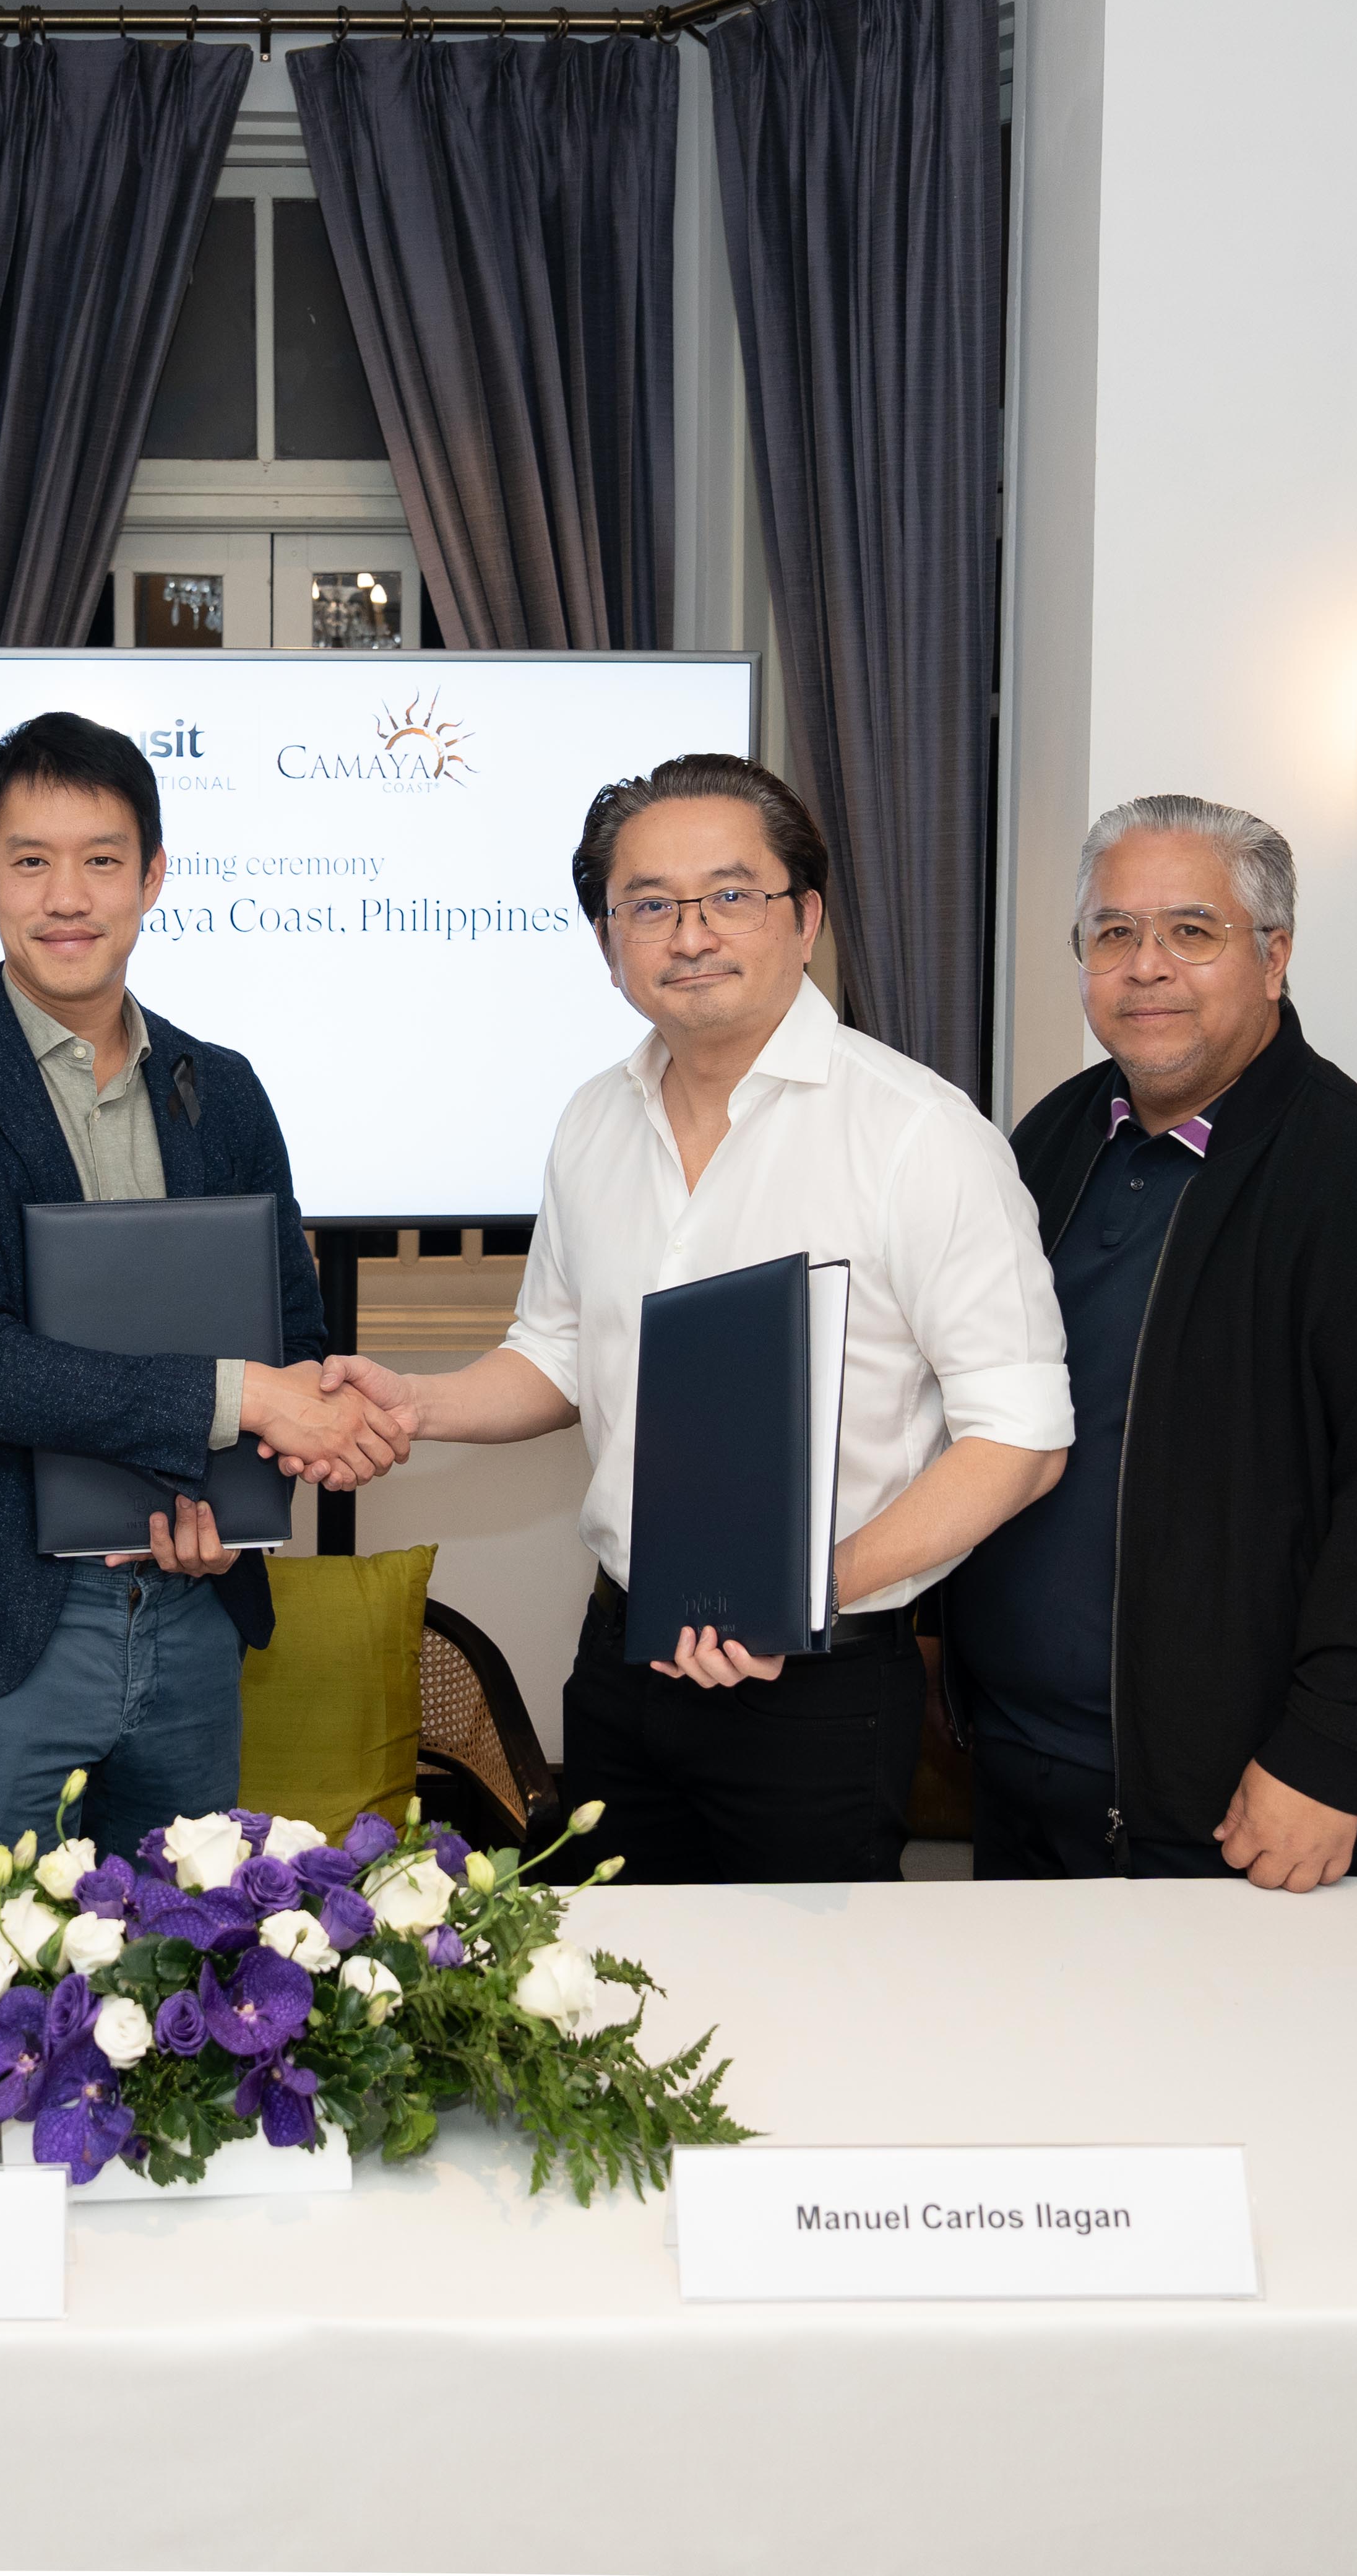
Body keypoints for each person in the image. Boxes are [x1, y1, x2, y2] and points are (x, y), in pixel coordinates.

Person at [322, 754, 1070, 1883]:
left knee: (807, 2019)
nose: (690, 934)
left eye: (731, 895)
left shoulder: (920, 1134)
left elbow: (1021, 1440)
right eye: (649, 905)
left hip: (821, 1676)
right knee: (619, 2005)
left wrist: (805, 1592)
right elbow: (563, 1350)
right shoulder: (591, 1120)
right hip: (622, 1658)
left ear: (804, 917)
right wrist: (417, 1402)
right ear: (606, 940)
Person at [0, 713, 403, 1867]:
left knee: (183, 1976)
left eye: (102, 860)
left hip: (192, 1610)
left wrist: (247, 1498)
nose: (68, 896)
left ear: (152, 876)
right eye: (30, 861)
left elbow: (291, 1341)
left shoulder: (226, 1090)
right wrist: (245, 1401)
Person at [946, 797, 1357, 1890]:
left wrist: (1326, 1755)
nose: (1145, 966)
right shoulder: (1047, 1142)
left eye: (1191, 932)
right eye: (1112, 934)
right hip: (1018, 1766)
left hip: (1239, 1797)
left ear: (1274, 955)